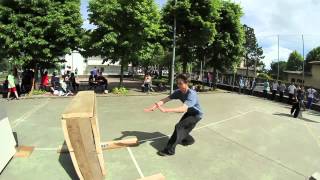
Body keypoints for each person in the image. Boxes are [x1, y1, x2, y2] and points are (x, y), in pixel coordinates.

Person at [144, 74, 203, 156]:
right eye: (177, 83)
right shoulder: (178, 92)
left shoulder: (192, 94)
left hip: (196, 115)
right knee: (181, 129)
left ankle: (169, 150)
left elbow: (183, 109)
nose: (178, 85)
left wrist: (166, 110)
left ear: (186, 83)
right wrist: (155, 106)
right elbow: (165, 99)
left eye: (180, 83)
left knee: (179, 127)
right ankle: (189, 140)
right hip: (189, 113)